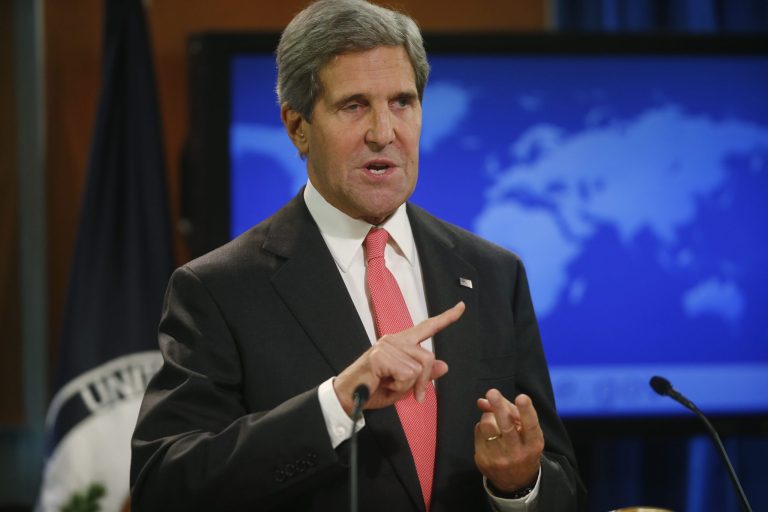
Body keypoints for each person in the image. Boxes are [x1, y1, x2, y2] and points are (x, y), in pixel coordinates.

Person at [130, 1, 584, 510]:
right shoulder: (218, 289)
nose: (383, 132)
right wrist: (337, 402)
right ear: (297, 126)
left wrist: (518, 485)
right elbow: (164, 484)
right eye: (354, 105)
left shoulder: (494, 273)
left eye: (402, 102)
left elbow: (562, 482)